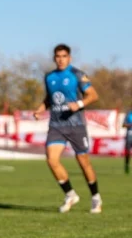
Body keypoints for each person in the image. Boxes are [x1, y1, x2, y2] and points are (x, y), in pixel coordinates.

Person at [33, 44, 103, 214]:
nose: (61, 59)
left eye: (64, 56)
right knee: (52, 160)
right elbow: (50, 98)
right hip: (56, 125)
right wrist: (41, 108)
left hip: (76, 125)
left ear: (69, 58)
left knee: (83, 162)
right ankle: (70, 195)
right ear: (54, 58)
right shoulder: (49, 77)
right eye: (58, 56)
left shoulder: (77, 75)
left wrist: (79, 104)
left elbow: (93, 95)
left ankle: (96, 197)